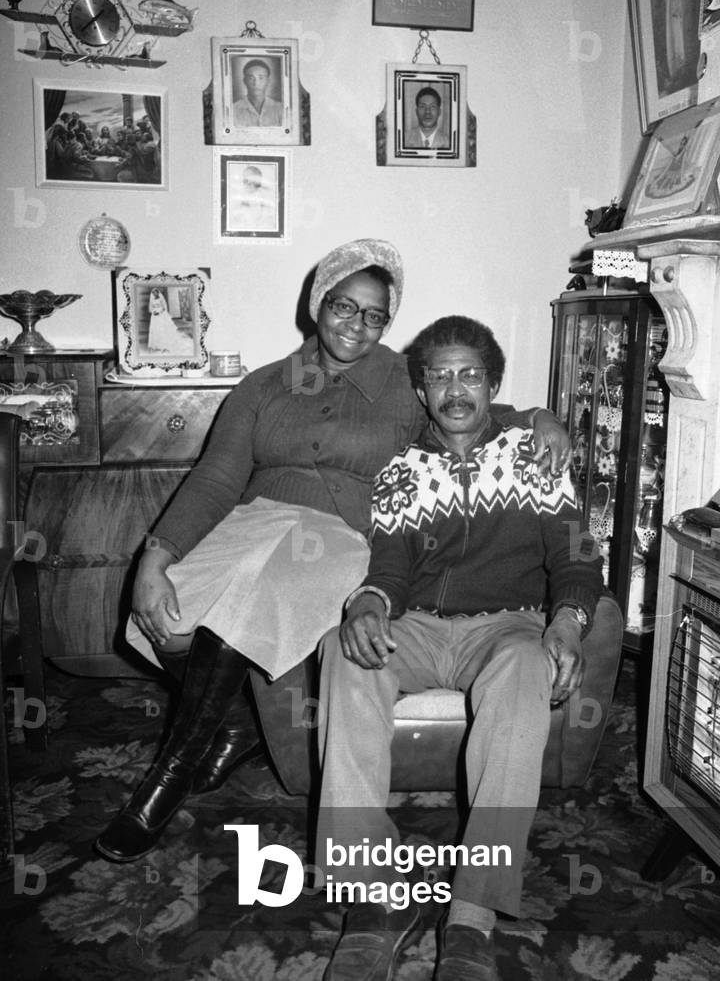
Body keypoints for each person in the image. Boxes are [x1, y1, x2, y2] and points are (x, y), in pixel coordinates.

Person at [94, 241, 571, 864]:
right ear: (318, 303)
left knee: (251, 599)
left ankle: (165, 780)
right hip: (257, 526)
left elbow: (469, 407)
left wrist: (540, 416)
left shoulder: (405, 382)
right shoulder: (264, 385)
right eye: (345, 306)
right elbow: (215, 478)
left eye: (375, 315)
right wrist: (156, 558)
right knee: (169, 618)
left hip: (340, 538)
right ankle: (237, 720)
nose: (358, 324)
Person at [316, 315, 603, 981]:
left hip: (507, 625)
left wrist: (566, 622)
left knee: (525, 664)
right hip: (418, 624)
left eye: (468, 374)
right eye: (439, 376)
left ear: (493, 385)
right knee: (342, 651)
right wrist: (366, 603)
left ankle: (473, 911)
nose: (454, 388)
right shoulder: (401, 469)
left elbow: (577, 558)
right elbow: (388, 567)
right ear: (420, 391)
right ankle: (377, 894)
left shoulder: (537, 455)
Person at [232, 58, 284, 128]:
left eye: (261, 78)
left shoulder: (280, 109)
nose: (256, 83)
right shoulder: (233, 110)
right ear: (245, 81)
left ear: (268, 81)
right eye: (251, 78)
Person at [146, 288, 194, 354]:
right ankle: (157, 345)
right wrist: (153, 312)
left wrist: (159, 312)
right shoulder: (152, 300)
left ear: (158, 292)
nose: (154, 294)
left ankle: (164, 345)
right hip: (154, 316)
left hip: (161, 315)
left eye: (156, 292)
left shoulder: (161, 299)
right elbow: (150, 308)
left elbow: (164, 307)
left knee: (162, 329)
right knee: (155, 329)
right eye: (153, 293)